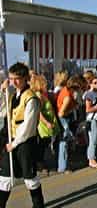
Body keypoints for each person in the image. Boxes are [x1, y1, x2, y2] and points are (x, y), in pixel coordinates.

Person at [0, 62, 45, 208]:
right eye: (11, 78)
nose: (13, 82)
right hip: (11, 141)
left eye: (17, 78)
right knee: (5, 177)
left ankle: (39, 205)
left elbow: (28, 127)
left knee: (30, 179)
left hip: (25, 143)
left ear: (25, 78)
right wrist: (2, 92)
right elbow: (2, 112)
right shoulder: (12, 95)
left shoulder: (31, 98)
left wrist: (14, 143)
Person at [84, 76, 97, 169]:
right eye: (95, 83)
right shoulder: (89, 94)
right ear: (91, 84)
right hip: (92, 119)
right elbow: (87, 109)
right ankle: (91, 160)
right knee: (93, 140)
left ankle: (91, 159)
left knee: (94, 140)